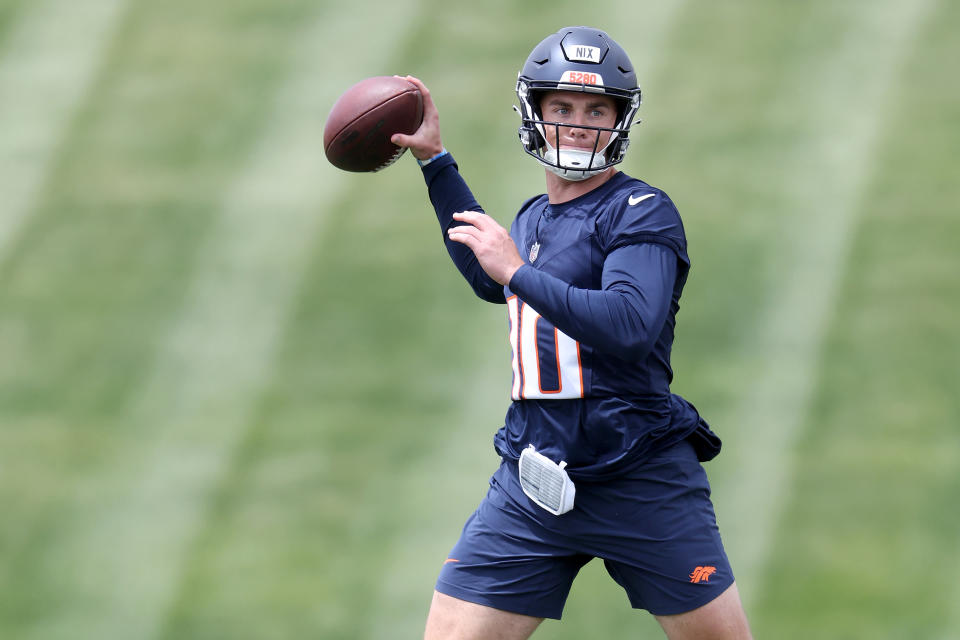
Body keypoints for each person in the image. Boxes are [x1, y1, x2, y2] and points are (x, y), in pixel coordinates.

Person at [391, 26, 753, 640]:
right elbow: (492, 279)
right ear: (535, 113)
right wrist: (435, 163)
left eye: (596, 109)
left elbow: (630, 325)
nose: (579, 122)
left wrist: (517, 270)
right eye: (562, 107)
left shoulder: (642, 210)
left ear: (620, 121)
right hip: (534, 475)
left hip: (637, 473)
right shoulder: (535, 214)